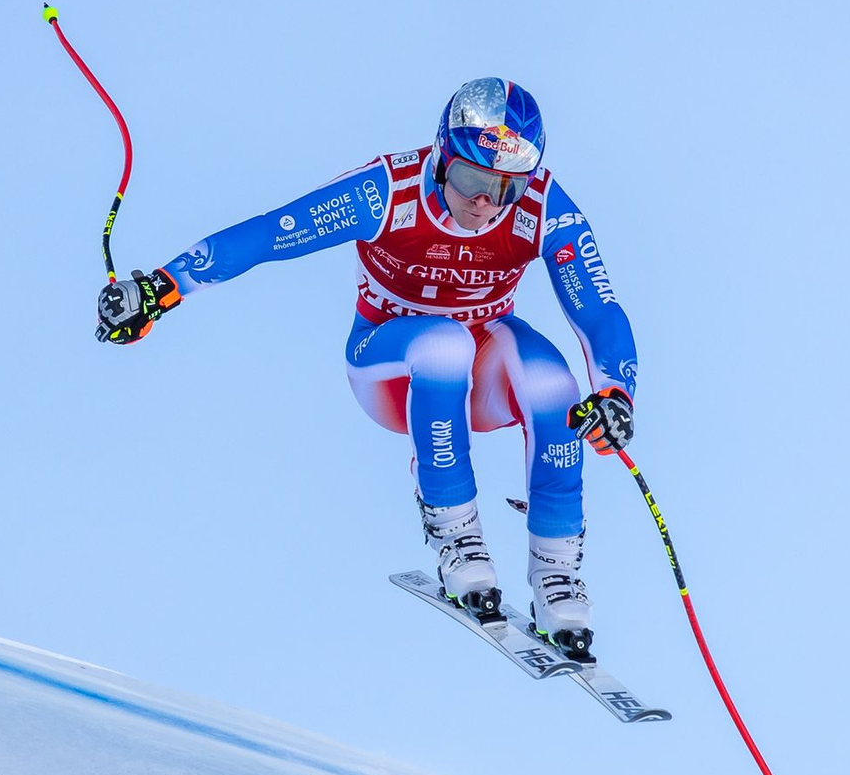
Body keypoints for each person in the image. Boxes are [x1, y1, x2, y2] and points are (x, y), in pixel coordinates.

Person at [95, 78, 636, 659]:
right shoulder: (389, 191)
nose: (485, 202)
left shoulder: (541, 207)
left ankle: (557, 573)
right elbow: (270, 234)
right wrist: (162, 287)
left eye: (505, 188)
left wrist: (617, 394)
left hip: (481, 378)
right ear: (441, 158)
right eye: (472, 180)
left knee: (555, 383)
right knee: (443, 343)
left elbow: (597, 307)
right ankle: (458, 534)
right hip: (391, 367)